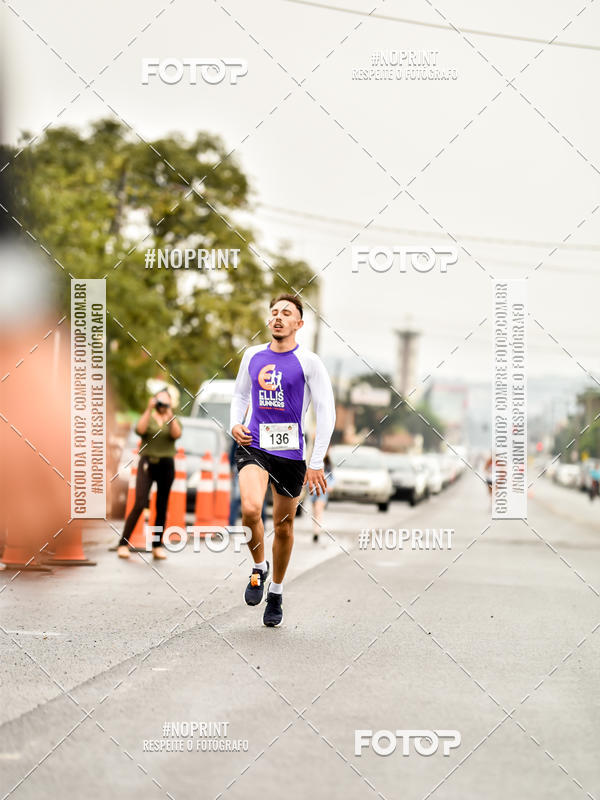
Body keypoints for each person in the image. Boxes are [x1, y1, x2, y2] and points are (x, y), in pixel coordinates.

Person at [230, 294, 336, 626]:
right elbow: (240, 395)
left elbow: (326, 411)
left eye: (286, 313)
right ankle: (259, 567)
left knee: (284, 526)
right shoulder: (252, 355)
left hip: (290, 453)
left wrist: (316, 461)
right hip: (255, 445)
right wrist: (235, 424)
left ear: (298, 324)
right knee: (249, 509)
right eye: (274, 312)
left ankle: (275, 590)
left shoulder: (309, 362)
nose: (278, 317)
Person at [117, 388, 182, 560]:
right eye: (159, 401)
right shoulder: (149, 417)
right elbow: (139, 430)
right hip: (147, 463)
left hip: (166, 464)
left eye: (165, 402)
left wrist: (169, 413)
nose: (162, 405)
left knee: (161, 506)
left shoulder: (172, 419)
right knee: (140, 502)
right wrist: (148, 409)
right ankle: (123, 544)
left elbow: (177, 434)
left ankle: (156, 546)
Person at [311, 451, 333, 543]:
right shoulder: (313, 462)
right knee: (315, 513)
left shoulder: (328, 465)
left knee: (318, 510)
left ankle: (317, 531)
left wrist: (330, 486)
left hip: (323, 492)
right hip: (313, 492)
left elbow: (332, 478)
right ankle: (316, 529)